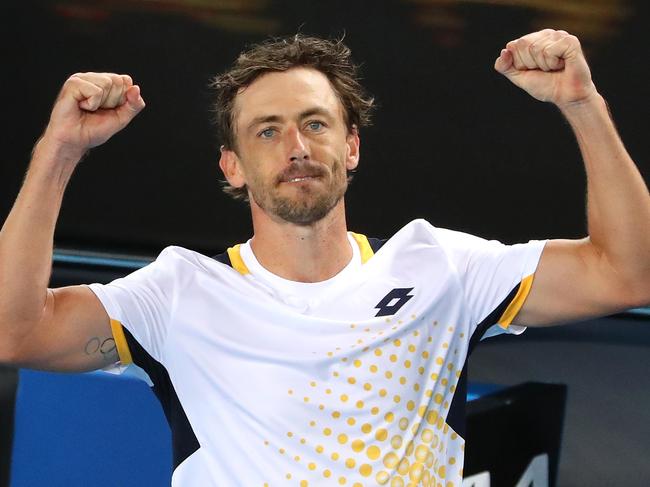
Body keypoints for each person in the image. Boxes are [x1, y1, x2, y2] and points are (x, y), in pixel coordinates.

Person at [0, 29, 648, 487]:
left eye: (315, 123)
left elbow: (627, 271)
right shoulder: (176, 294)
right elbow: (14, 330)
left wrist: (581, 104)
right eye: (267, 129)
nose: (296, 146)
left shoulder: (442, 268)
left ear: (352, 145)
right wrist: (59, 151)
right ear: (232, 166)